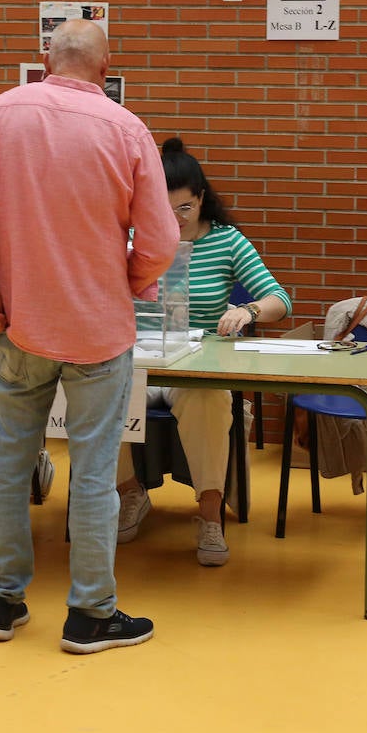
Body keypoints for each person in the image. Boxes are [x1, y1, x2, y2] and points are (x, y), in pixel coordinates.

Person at [0, 18, 179, 655]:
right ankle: (91, 614)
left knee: (12, 466)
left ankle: (1, 601)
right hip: (99, 330)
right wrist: (128, 280)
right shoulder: (126, 129)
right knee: (94, 476)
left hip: (19, 326)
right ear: (105, 67)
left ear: (45, 59)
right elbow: (160, 241)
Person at [115, 137, 291, 566]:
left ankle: (209, 514)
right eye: (163, 207)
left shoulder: (227, 241)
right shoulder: (133, 239)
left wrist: (248, 311)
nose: (174, 219)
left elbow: (279, 301)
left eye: (185, 209)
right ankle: (130, 493)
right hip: (141, 360)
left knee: (208, 399)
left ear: (201, 199)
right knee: (105, 393)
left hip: (196, 366)